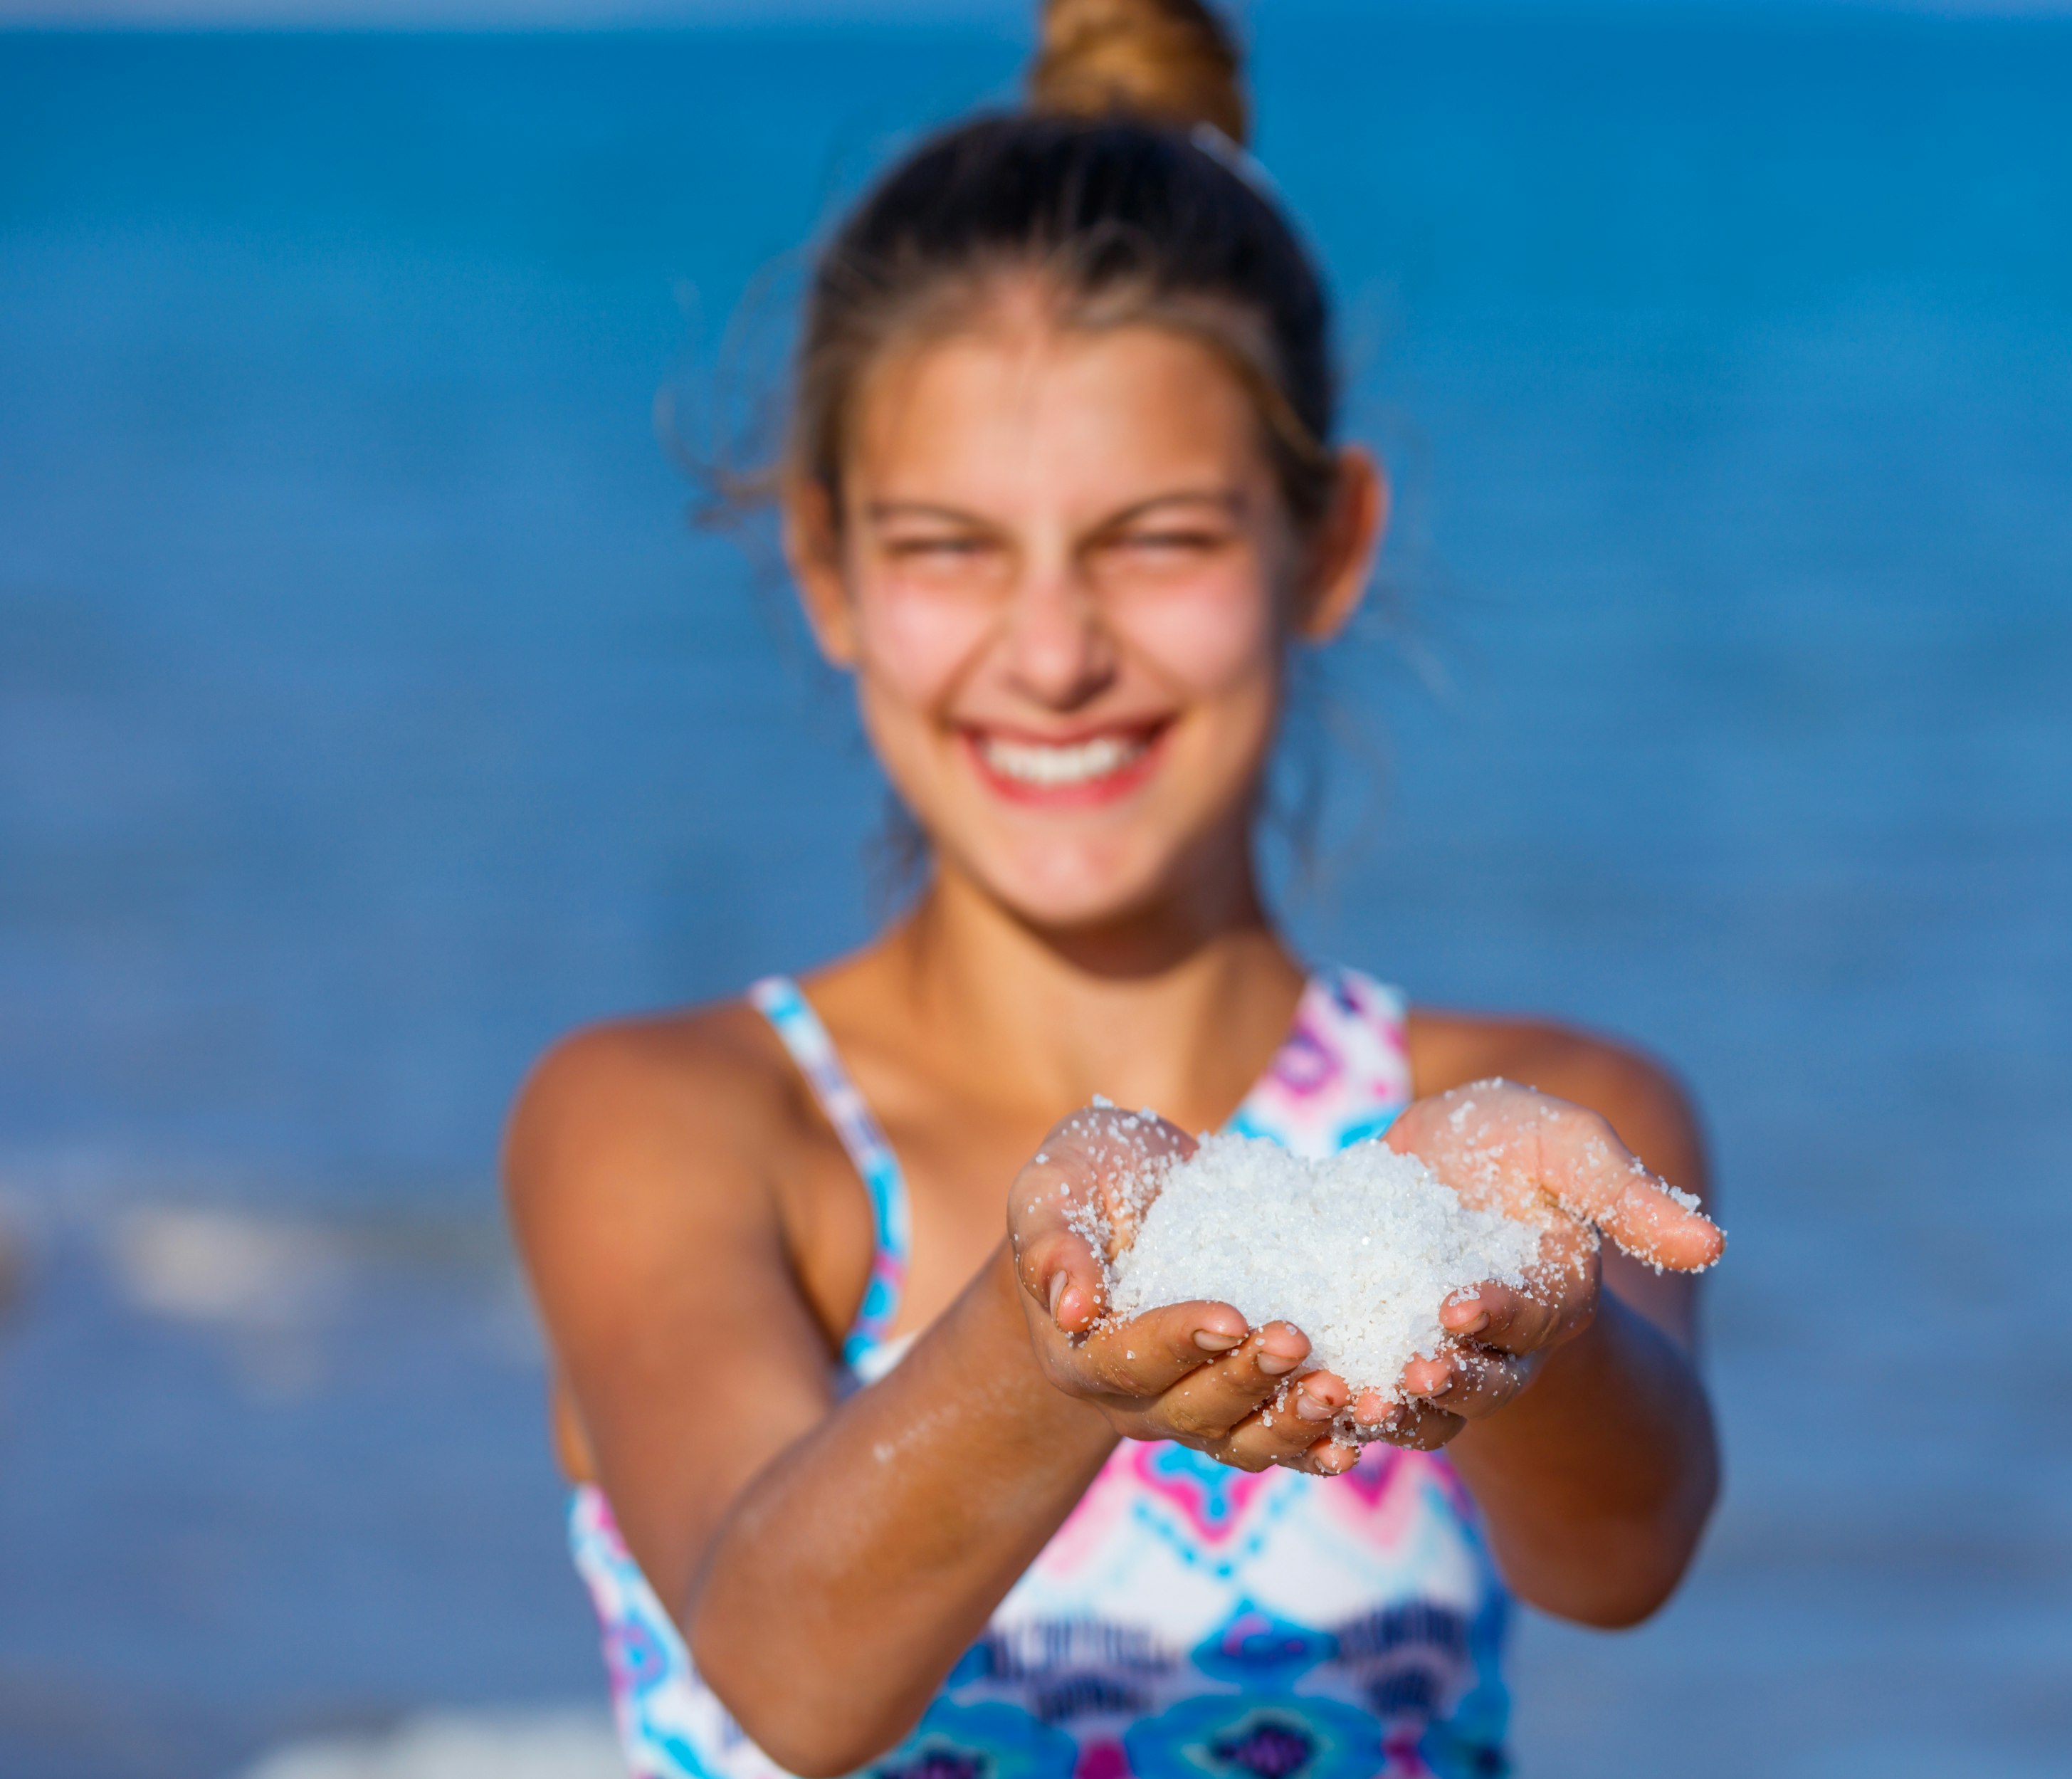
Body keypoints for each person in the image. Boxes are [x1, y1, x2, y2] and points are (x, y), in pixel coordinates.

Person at [503, 4, 1725, 1774]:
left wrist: (1525, 1317)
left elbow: (1624, 1551)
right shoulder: (675, 1118)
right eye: (948, 547)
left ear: (1329, 544)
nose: (1057, 651)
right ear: (827, 568)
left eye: (1158, 538)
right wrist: (1040, 1334)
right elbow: (782, 1661)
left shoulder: (1521, 1123)